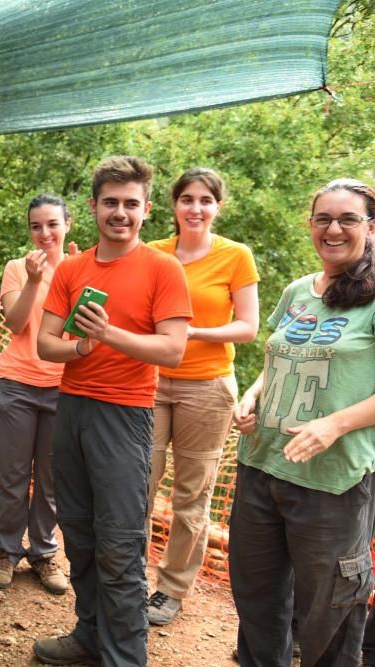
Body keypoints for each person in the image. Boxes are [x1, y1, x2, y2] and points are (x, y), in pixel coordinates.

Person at [34, 156, 191, 666]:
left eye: (130, 204)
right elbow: (45, 343)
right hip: (73, 408)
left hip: (125, 416)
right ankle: (89, 635)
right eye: (110, 203)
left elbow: (172, 350)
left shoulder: (163, 268)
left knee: (120, 545)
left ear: (146, 210)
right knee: (79, 531)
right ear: (94, 207)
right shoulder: (73, 270)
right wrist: (81, 348)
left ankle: (124, 657)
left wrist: (107, 335)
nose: (119, 212)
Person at [229, 178, 375, 667]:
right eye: (323, 218)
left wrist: (334, 424)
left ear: (370, 227)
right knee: (256, 601)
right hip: (260, 466)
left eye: (348, 219)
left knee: (329, 614)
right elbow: (276, 361)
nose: (333, 228)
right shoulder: (297, 290)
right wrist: (251, 395)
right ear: (310, 225)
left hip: (330, 482)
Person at [144, 168, 260, 626]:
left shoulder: (236, 256)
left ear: (218, 207)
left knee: (192, 496)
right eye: (187, 199)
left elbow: (248, 327)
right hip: (149, 381)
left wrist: (191, 332)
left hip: (208, 387)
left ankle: (171, 589)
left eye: (205, 200)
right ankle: (128, 579)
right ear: (174, 205)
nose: (196, 208)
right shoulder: (153, 253)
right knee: (138, 484)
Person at [0, 194, 74, 594]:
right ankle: (5, 550)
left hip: (64, 388)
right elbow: (16, 323)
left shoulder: (80, 268)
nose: (44, 233)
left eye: (52, 224)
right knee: (13, 475)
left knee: (53, 479)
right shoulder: (17, 268)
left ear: (67, 224)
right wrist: (36, 280)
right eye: (36, 226)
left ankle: (43, 553)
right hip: (17, 383)